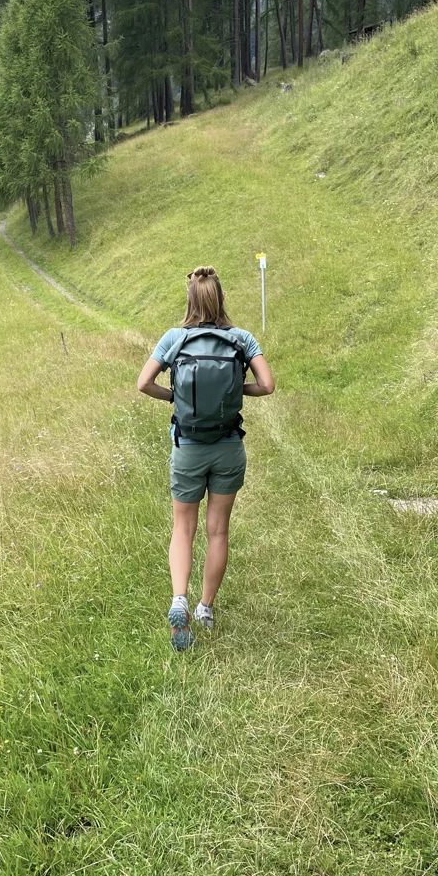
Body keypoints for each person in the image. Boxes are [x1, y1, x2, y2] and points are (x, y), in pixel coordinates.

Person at [136, 266, 275, 651]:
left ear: (190, 301)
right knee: (218, 531)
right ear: (222, 298)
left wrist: (176, 400)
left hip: (188, 447)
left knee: (183, 528)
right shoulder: (242, 339)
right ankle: (204, 609)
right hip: (229, 445)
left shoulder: (174, 339)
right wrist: (234, 393)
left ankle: (178, 598)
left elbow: (143, 382)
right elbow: (268, 384)